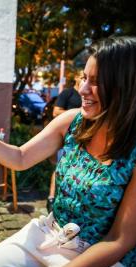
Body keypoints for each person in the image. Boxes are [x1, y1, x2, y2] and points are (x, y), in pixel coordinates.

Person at [0, 36, 136, 267]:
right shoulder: (72, 121)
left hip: (104, 259)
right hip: (49, 236)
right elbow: (20, 158)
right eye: (84, 78)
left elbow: (118, 241)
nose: (82, 89)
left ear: (128, 89)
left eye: (95, 82)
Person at [47, 71, 83, 213]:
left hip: (83, 141)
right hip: (67, 139)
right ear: (76, 78)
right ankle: (51, 198)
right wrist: (78, 112)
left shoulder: (88, 95)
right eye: (82, 77)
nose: (83, 81)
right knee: (60, 168)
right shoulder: (68, 93)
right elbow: (56, 111)